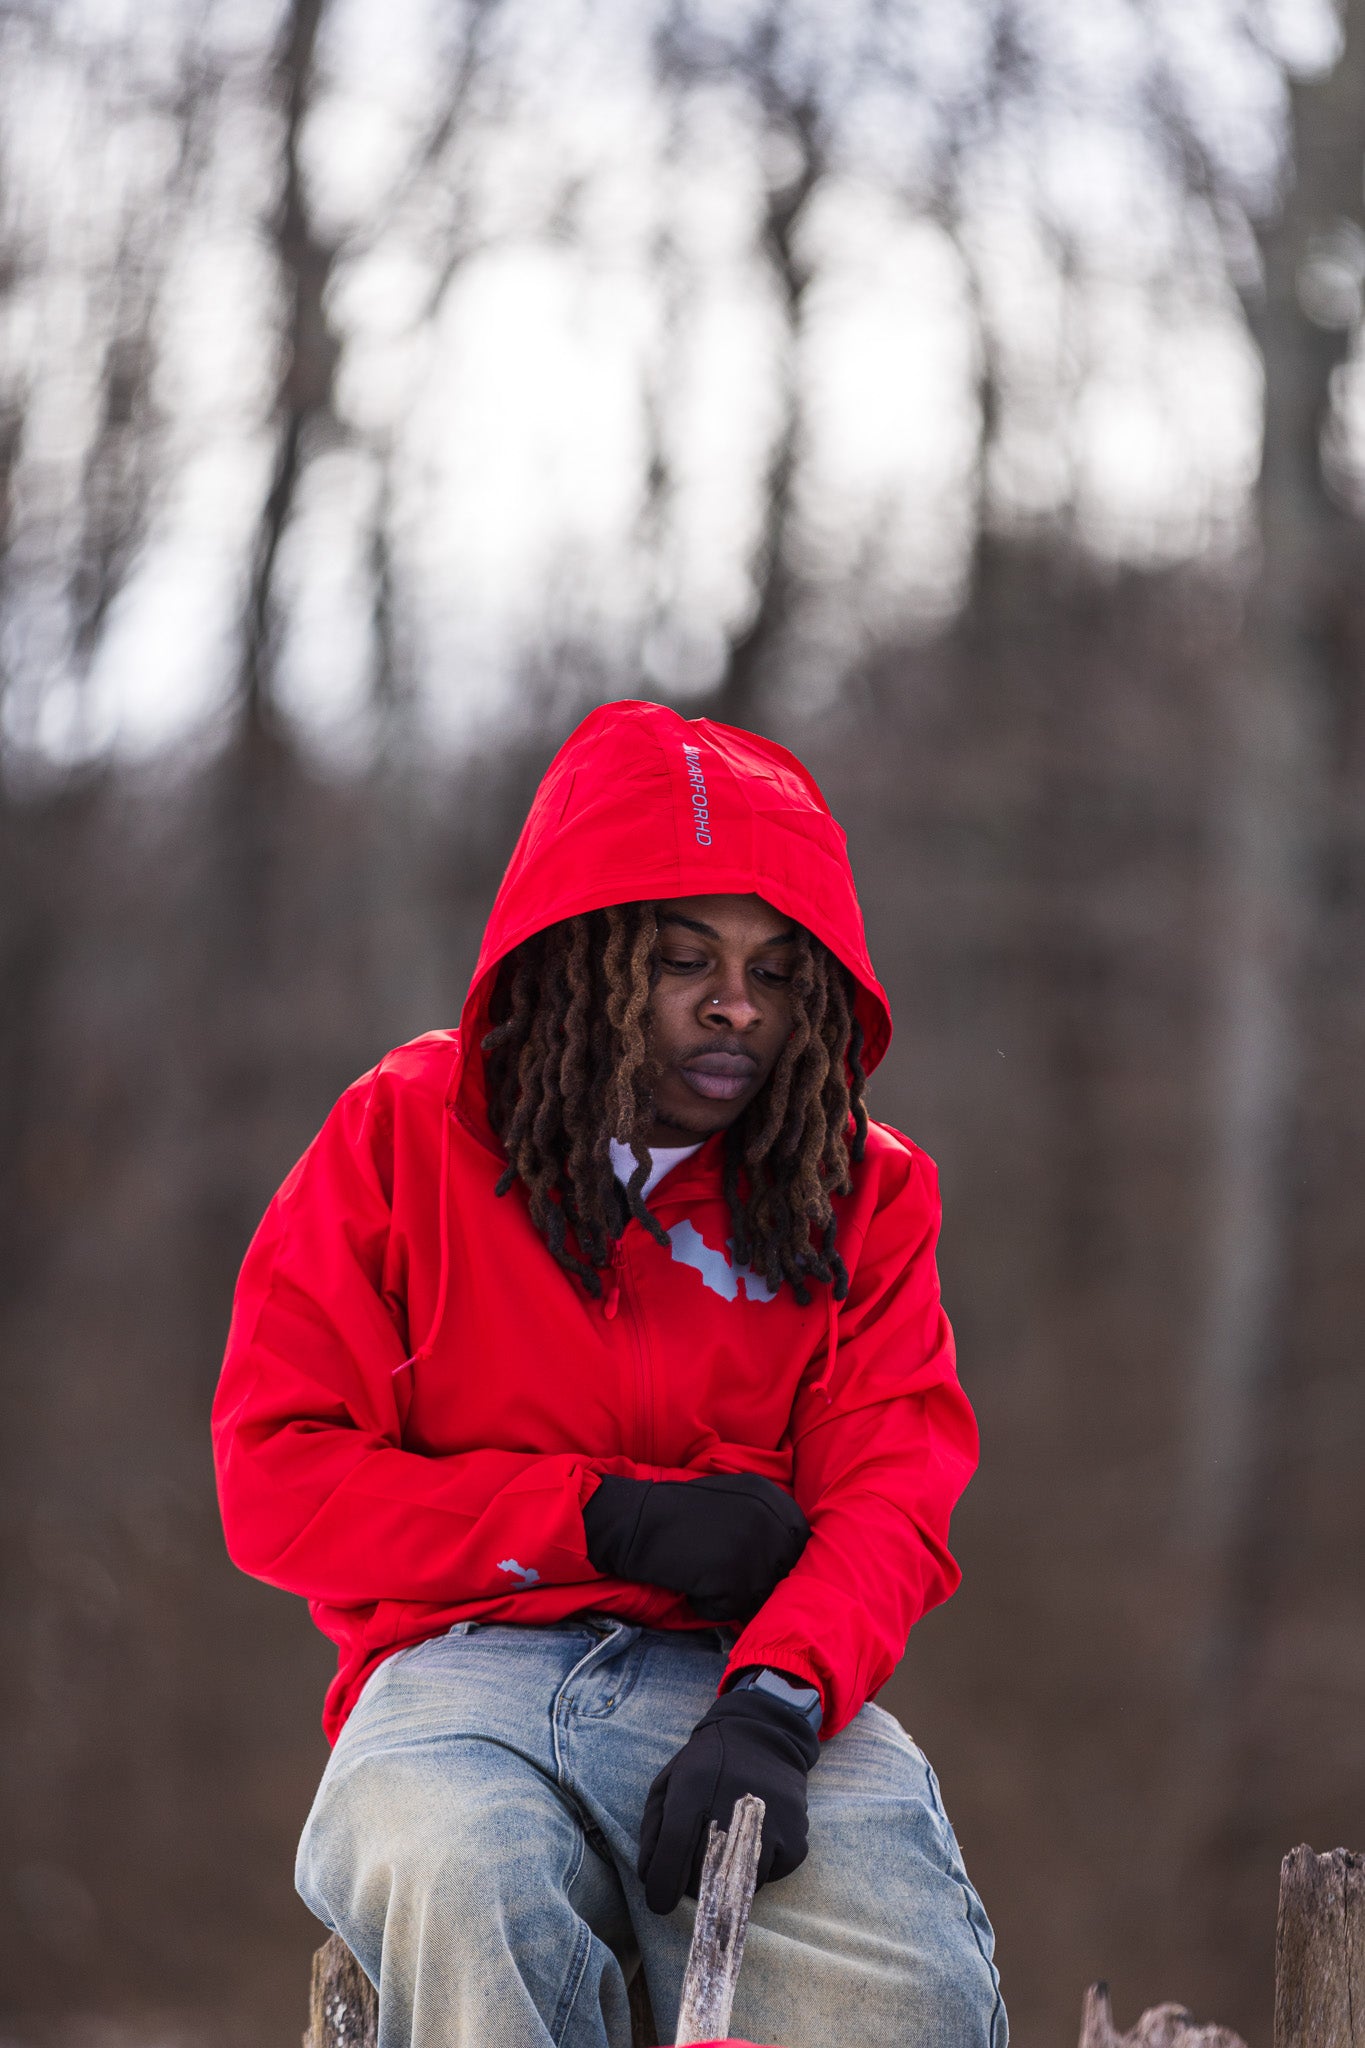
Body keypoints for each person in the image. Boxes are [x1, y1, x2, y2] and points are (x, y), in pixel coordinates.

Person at [212, 698, 1005, 2048]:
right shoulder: (402, 1136)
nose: (735, 1005)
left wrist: (777, 1698)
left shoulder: (864, 1193)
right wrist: (593, 1518)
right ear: (576, 960)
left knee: (902, 1986)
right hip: (459, 1673)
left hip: (752, 1676)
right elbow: (280, 1480)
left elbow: (892, 1494)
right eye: (679, 958)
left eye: (776, 968)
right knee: (464, 1893)